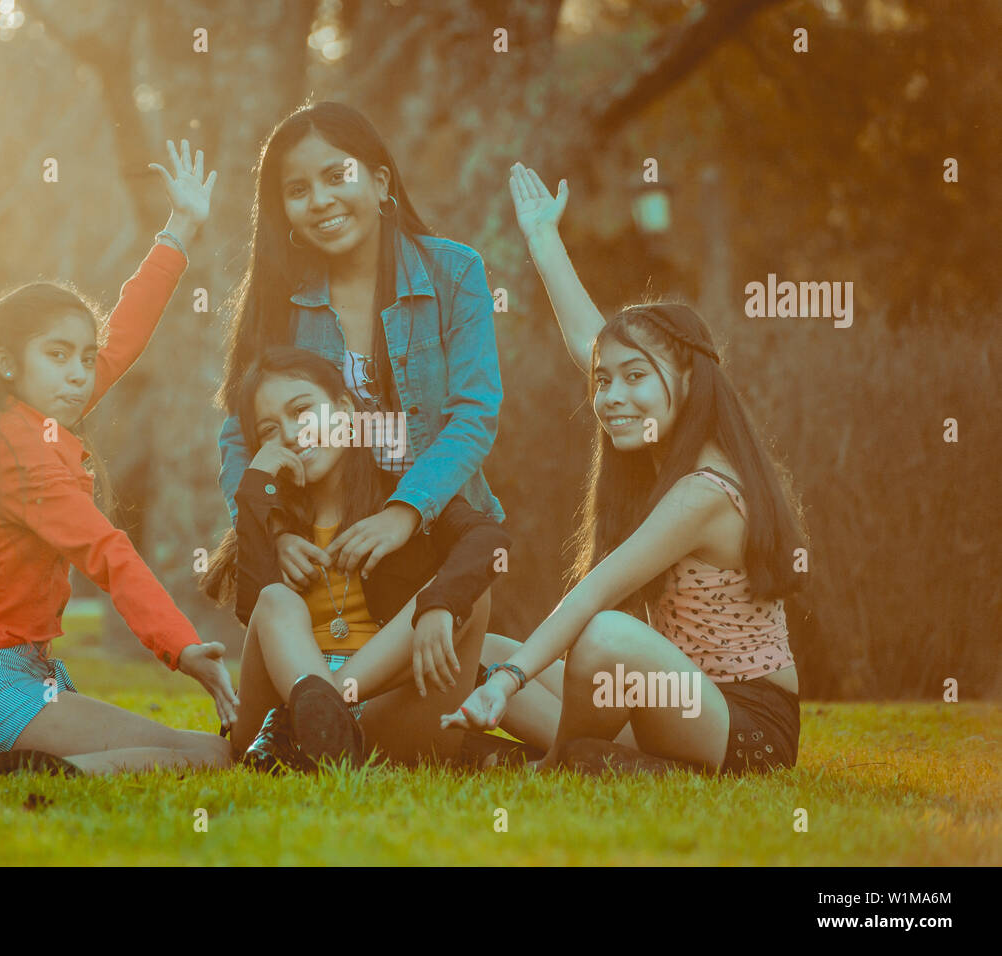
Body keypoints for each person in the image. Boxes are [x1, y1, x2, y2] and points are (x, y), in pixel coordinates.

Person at [445, 163, 807, 776]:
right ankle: (596, 757)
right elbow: (594, 346)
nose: (612, 395)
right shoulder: (663, 447)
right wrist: (543, 239)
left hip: (744, 726)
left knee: (605, 635)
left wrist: (509, 684)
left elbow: (597, 592)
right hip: (667, 696)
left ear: (690, 381)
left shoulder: (705, 491)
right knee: (478, 652)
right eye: (604, 382)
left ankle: (559, 764)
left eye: (636, 377)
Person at [0, 140, 237, 777]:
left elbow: (123, 339)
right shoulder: (25, 453)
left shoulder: (19, 422)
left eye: (84, 357)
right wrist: (184, 648)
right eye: (58, 355)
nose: (81, 374)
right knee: (211, 756)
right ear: (7, 363)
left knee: (205, 751)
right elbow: (110, 554)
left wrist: (179, 228)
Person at [215, 101, 504, 594]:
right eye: (298, 190)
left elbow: (474, 414)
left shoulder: (455, 274)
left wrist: (404, 511)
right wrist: (274, 534)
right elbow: (241, 436)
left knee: (442, 665)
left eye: (336, 175)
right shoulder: (277, 300)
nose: (320, 200)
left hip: (443, 534)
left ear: (381, 183)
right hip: (322, 548)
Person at [202, 347, 512, 770]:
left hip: (373, 706)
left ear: (346, 409)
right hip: (275, 710)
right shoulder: (275, 521)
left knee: (465, 593)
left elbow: (489, 540)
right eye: (270, 430)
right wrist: (255, 487)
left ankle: (324, 720)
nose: (291, 434)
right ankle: (314, 715)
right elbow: (252, 609)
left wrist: (439, 604)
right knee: (275, 601)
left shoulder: (401, 497)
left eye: (302, 410)